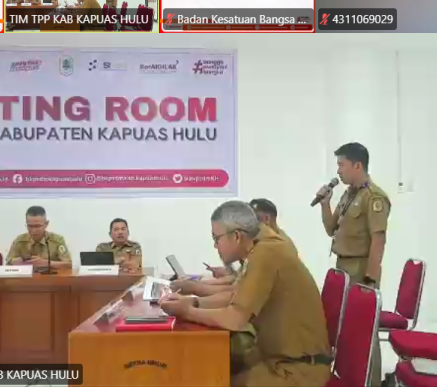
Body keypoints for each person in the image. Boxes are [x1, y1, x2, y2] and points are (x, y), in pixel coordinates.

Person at [160, 201, 332, 386]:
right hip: (275, 357)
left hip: (296, 369)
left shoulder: (266, 253)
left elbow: (234, 319)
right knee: (209, 368)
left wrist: (187, 311)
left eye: (216, 239)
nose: (215, 246)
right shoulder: (260, 247)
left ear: (236, 236)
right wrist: (193, 302)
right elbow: (234, 294)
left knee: (210, 378)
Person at [317, 142, 389, 387]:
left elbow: (378, 241)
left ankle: (373, 382)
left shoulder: (374, 197)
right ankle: (350, 378)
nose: (338, 171)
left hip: (360, 270)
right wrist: (325, 203)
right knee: (346, 330)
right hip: (343, 268)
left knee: (365, 330)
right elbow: (331, 229)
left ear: (357, 165)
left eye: (342, 165)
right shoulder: (349, 194)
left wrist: (370, 279)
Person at [6, 206, 72, 269]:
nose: (33, 230)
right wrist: (20, 261)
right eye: (30, 226)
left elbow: (68, 265)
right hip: (26, 276)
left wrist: (46, 263)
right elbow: (8, 263)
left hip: (50, 276)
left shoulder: (57, 240)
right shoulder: (20, 241)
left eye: (37, 226)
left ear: (46, 224)